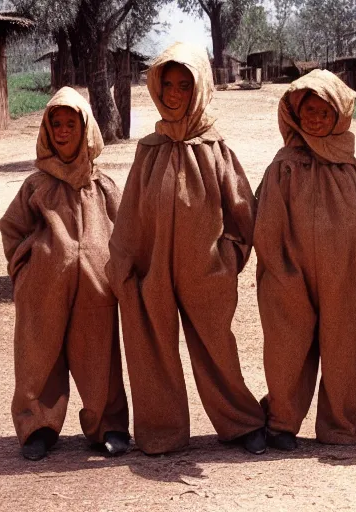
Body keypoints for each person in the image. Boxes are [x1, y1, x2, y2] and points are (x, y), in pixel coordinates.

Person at [106, 42, 266, 455]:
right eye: (168, 85)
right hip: (152, 270)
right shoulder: (149, 149)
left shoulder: (215, 149)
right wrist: (123, 265)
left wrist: (228, 258)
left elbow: (243, 212)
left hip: (206, 272)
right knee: (152, 349)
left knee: (217, 347)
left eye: (184, 85)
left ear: (200, 89)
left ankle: (240, 422)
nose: (175, 94)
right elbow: (131, 215)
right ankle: (162, 431)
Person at [0, 87, 130, 461]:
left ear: (86, 128)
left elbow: (126, 231)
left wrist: (113, 271)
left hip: (96, 290)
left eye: (70, 123)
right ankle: (37, 426)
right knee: (39, 355)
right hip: (43, 290)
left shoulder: (102, 186)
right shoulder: (36, 187)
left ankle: (109, 425)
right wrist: (25, 270)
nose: (61, 130)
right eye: (55, 123)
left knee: (99, 354)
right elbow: (11, 228)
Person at [254, 69, 356, 450]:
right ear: (294, 113)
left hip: (340, 274)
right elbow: (266, 224)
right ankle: (282, 422)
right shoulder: (284, 165)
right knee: (287, 346)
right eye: (308, 110)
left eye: (325, 112)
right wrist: (279, 270)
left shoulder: (344, 163)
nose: (316, 118)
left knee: (343, 346)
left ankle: (339, 425)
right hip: (289, 273)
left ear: (338, 115)